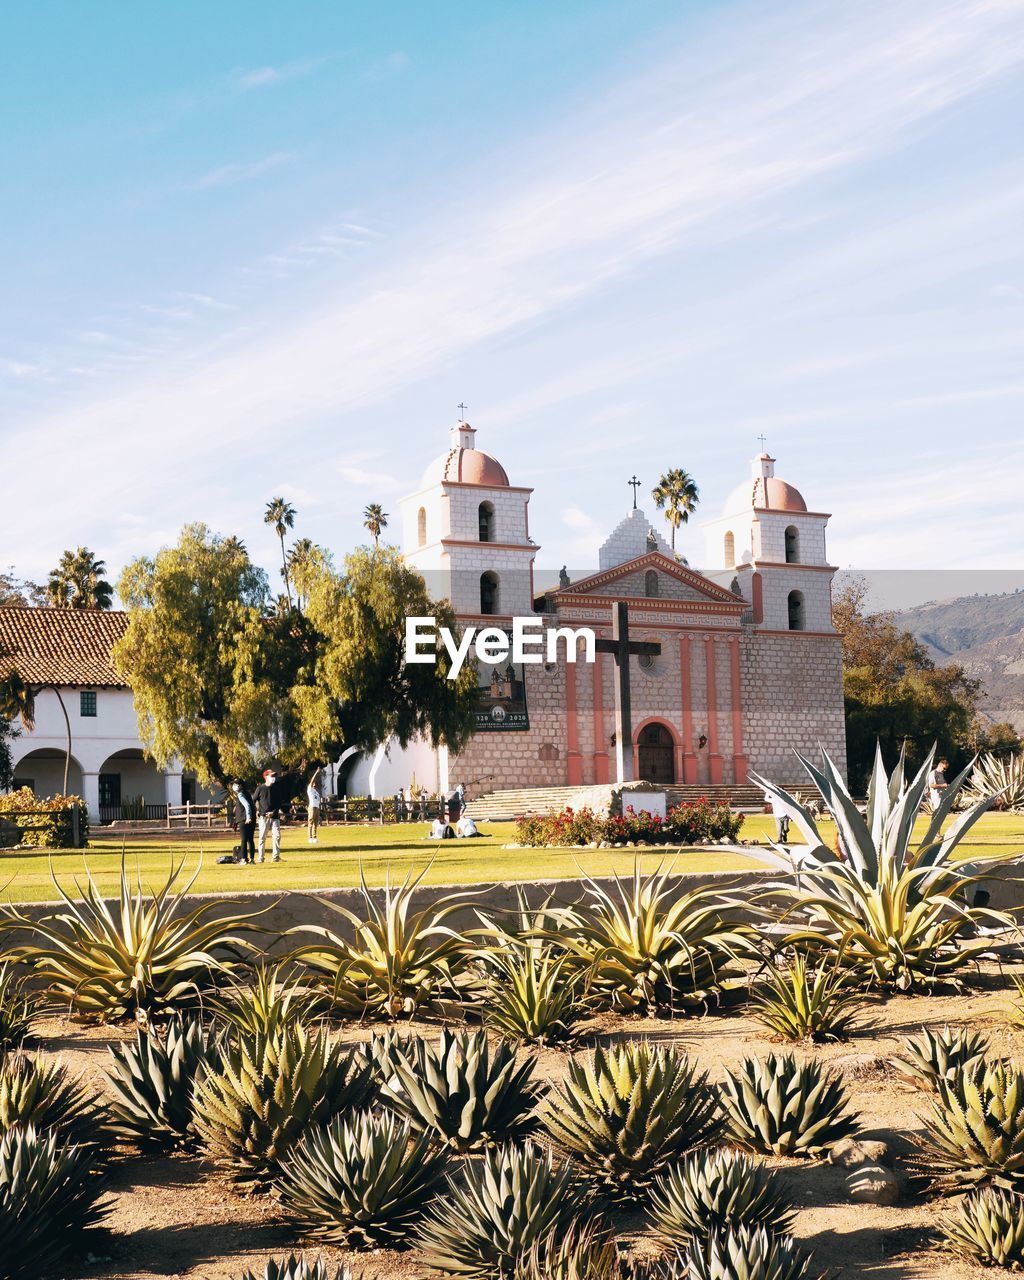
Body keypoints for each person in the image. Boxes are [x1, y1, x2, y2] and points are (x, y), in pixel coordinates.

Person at [254, 767, 285, 863]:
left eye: (274, 776)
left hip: (275, 817)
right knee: (262, 837)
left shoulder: (276, 789)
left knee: (277, 836)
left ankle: (276, 857)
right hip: (264, 817)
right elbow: (253, 800)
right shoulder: (260, 789)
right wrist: (258, 812)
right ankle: (261, 858)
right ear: (266, 777)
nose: (274, 778)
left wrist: (274, 812)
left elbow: (279, 803)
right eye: (272, 776)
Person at [230, 780, 256, 864]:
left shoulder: (240, 794)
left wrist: (248, 817)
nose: (234, 786)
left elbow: (247, 805)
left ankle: (244, 859)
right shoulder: (247, 794)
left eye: (235, 784)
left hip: (244, 820)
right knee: (250, 840)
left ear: (240, 785)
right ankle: (252, 859)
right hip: (252, 820)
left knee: (244, 840)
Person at [307, 767, 322, 844]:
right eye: (314, 782)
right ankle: (309, 837)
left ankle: (314, 837)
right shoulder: (310, 789)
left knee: (316, 823)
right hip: (312, 807)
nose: (315, 783)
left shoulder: (316, 791)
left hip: (317, 807)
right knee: (311, 822)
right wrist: (316, 772)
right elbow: (312, 780)